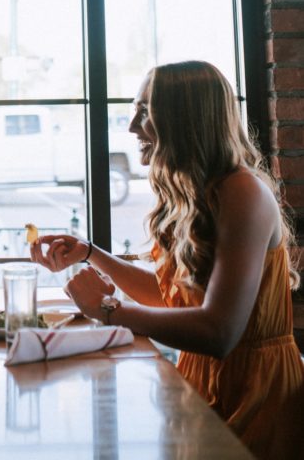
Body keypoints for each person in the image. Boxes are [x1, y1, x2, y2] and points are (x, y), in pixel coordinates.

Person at [31, 60, 304, 460]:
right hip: (202, 385)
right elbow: (168, 296)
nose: (132, 127)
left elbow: (219, 332)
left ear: (185, 118)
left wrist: (109, 310)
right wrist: (91, 253)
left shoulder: (242, 193)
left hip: (255, 396)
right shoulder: (196, 193)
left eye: (146, 111)